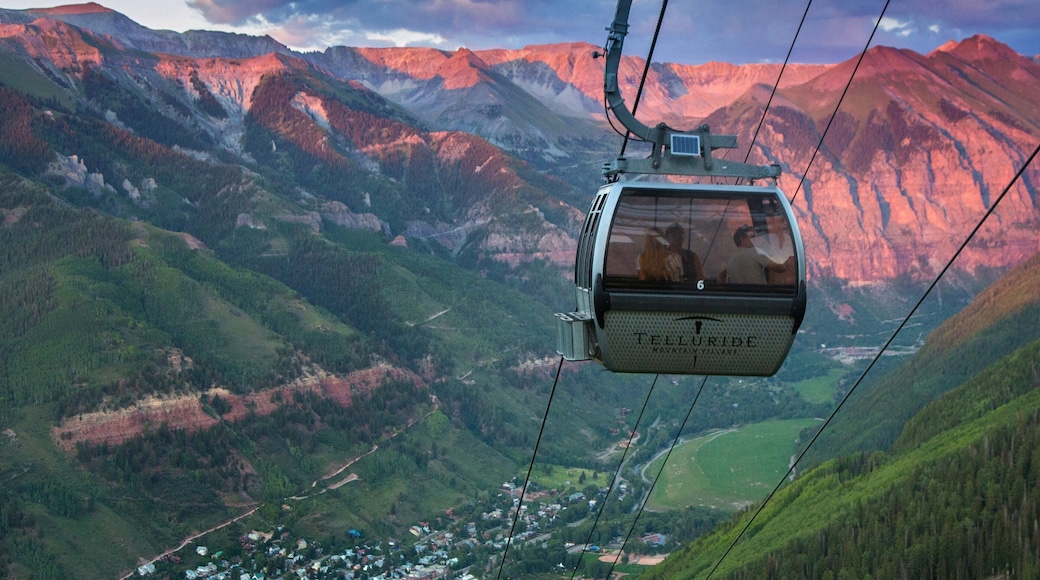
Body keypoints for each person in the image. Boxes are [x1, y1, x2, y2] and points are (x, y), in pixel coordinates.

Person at [726, 224, 791, 284]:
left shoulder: (731, 261)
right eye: (752, 237)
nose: (756, 240)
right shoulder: (754, 252)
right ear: (742, 239)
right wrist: (778, 243)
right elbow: (781, 267)